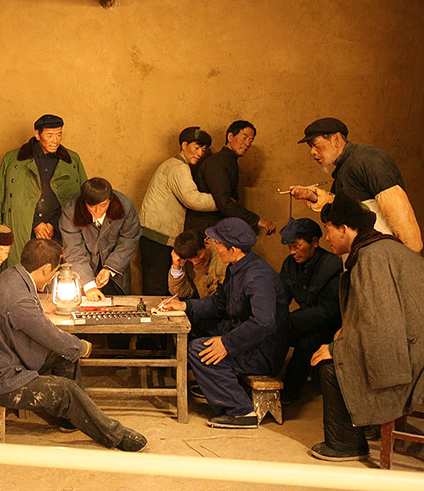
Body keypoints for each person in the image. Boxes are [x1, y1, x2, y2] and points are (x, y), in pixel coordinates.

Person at [0, 238, 147, 452]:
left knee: (65, 355)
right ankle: (115, 435)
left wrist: (72, 348)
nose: (52, 277)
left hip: (2, 360)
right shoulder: (18, 297)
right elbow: (49, 335)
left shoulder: (13, 278)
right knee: (66, 389)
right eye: (53, 271)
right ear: (45, 269)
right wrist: (82, 347)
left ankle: (71, 419)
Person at [308, 191, 424, 461]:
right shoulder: (382, 248)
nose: (327, 238)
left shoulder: (371, 257)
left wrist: (336, 350)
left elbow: (381, 325)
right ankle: (365, 426)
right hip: (413, 344)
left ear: (345, 229)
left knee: (331, 368)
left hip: (415, 359)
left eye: (329, 230)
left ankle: (345, 444)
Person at [165, 218, 288, 429]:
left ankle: (241, 411)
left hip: (263, 351)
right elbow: (219, 303)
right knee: (194, 329)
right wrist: (185, 306)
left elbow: (263, 323)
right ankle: (221, 390)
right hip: (245, 339)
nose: (216, 248)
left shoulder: (257, 276)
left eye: (219, 244)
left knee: (197, 350)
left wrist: (226, 343)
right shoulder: (236, 268)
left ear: (234, 248)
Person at [289, 117, 422, 252]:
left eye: (315, 144)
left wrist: (410, 253)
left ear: (336, 138)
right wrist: (311, 196)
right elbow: (342, 207)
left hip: (382, 252)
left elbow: (398, 210)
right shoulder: (343, 168)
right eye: (310, 147)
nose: (312, 152)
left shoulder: (368, 159)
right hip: (365, 252)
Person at [0, 114, 87, 269]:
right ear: (37, 134)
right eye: (50, 135)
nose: (55, 140)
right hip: (22, 227)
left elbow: (82, 199)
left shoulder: (72, 160)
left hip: (59, 230)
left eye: (59, 135)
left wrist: (52, 224)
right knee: (20, 271)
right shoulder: (13, 159)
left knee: (59, 273)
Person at [139, 126, 218, 295]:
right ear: (184, 145)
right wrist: (221, 202)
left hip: (152, 234)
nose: (200, 153)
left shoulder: (170, 164)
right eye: (196, 147)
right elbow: (192, 199)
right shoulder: (178, 167)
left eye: (203, 150)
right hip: (159, 237)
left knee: (154, 283)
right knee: (158, 287)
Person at [278, 218, 342, 403]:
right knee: (271, 330)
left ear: (314, 242)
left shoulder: (331, 265)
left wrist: (290, 321)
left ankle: (290, 391)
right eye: (290, 247)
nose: (292, 252)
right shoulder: (290, 264)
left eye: (297, 246)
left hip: (329, 326)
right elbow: (280, 297)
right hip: (303, 320)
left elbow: (329, 311)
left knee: (307, 341)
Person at [185, 120, 276, 236]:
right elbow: (224, 202)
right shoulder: (218, 162)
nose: (247, 144)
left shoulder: (229, 161)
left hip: (213, 227)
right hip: (204, 230)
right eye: (244, 138)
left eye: (251, 141)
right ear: (230, 137)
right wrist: (257, 220)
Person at [60, 177, 141, 301]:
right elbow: (74, 249)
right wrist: (88, 285)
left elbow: (129, 239)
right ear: (84, 202)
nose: (98, 211)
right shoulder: (71, 211)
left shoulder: (124, 206)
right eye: (92, 206)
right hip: (82, 270)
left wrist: (110, 268)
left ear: (110, 200)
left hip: (115, 271)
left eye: (103, 205)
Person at [167, 230, 227, 300]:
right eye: (190, 259)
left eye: (197, 256)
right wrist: (176, 266)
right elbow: (182, 293)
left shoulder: (225, 252)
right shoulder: (186, 262)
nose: (195, 262)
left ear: (207, 243)